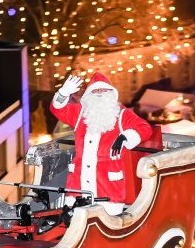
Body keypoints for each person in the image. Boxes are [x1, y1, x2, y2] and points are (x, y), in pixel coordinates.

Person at [50, 72, 153, 216]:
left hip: (107, 186)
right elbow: (58, 109)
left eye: (103, 90)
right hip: (78, 183)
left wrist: (125, 137)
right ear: (88, 95)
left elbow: (145, 128)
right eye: (95, 90)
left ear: (111, 93)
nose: (99, 93)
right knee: (76, 225)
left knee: (107, 228)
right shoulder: (80, 113)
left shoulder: (121, 114)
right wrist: (63, 93)